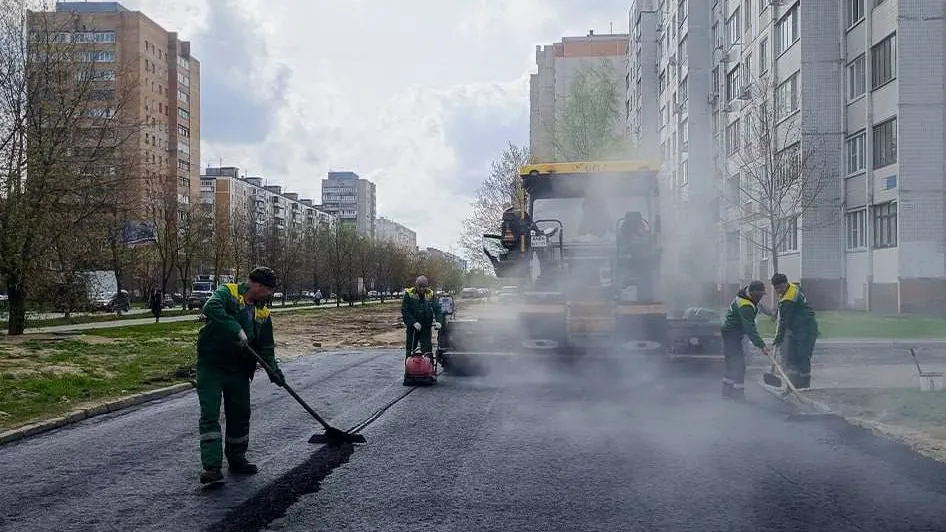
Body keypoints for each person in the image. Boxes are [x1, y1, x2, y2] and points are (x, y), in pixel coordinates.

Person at [195, 266, 286, 485]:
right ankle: (212, 467)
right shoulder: (229, 292)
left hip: (238, 368)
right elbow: (211, 307)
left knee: (240, 413)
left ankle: (237, 458)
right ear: (257, 285)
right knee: (210, 414)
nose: (270, 295)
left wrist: (275, 372)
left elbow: (266, 349)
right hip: (212, 365)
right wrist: (235, 328)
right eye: (269, 290)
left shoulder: (263, 312)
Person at [720, 280, 770, 400]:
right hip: (732, 334)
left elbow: (759, 306)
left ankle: (727, 391)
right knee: (739, 364)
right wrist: (762, 345)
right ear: (752, 293)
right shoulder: (745, 306)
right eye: (758, 295)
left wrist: (770, 313)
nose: (759, 298)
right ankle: (737, 394)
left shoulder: (746, 295)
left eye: (761, 295)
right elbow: (750, 329)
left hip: (731, 332)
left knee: (732, 363)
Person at [770, 273, 819, 390]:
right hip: (795, 328)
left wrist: (778, 338)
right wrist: (777, 312)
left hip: (806, 328)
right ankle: (792, 386)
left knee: (802, 357)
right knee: (790, 357)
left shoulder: (790, 297)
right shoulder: (790, 289)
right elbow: (782, 308)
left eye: (780, 287)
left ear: (785, 283)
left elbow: (784, 321)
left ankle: (804, 387)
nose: (778, 290)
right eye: (776, 288)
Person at [400, 275, 444, 357]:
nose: (421, 289)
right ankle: (409, 367)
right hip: (412, 328)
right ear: (416, 285)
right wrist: (413, 322)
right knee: (411, 348)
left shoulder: (430, 294)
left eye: (424, 287)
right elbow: (405, 311)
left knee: (427, 348)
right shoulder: (409, 294)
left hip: (426, 326)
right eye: (420, 287)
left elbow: (437, 309)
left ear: (426, 287)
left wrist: (439, 321)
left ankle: (428, 366)